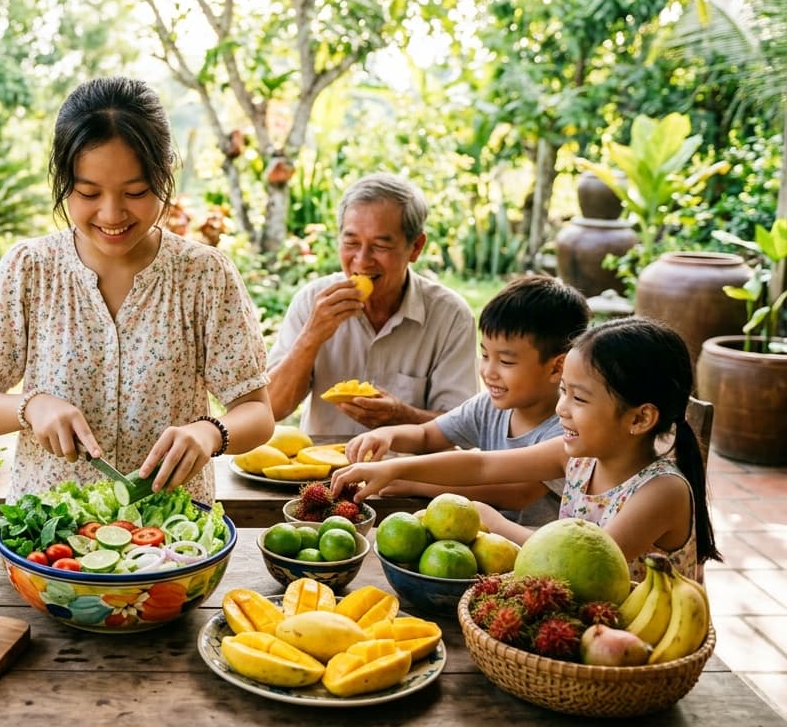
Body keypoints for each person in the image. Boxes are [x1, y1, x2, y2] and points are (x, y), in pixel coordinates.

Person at [0, 76, 275, 503]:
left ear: (164, 175)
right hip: (49, 529)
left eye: (135, 192)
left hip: (173, 529)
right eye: (88, 193)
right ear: (64, 181)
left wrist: (209, 432)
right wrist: (31, 406)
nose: (111, 214)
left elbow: (257, 412)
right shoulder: (29, 268)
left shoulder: (204, 275)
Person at [330, 317, 719, 581]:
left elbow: (578, 566)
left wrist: (494, 523)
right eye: (563, 391)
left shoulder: (661, 492)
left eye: (579, 398)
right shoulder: (578, 458)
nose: (561, 408)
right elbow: (481, 467)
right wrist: (394, 469)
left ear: (640, 418)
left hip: (633, 650)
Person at [346, 275, 591, 523]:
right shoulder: (487, 407)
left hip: (532, 542)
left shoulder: (567, 429)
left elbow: (516, 492)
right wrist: (387, 435)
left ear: (557, 367)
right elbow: (427, 435)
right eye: (484, 355)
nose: (488, 371)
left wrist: (415, 483)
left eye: (506, 361)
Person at [267, 172, 477, 437]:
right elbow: (271, 408)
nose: (362, 260)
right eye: (351, 242)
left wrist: (402, 416)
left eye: (380, 245)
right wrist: (311, 336)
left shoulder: (451, 316)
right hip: (322, 461)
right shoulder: (312, 301)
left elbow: (465, 428)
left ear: (416, 247)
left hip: (411, 463)